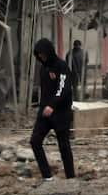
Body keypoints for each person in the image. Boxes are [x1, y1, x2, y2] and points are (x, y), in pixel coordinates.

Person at [29, 38, 75, 181]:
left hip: (61, 113)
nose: (41, 57)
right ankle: (47, 176)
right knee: (35, 141)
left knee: (64, 146)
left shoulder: (61, 66)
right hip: (45, 113)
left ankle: (70, 178)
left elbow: (64, 88)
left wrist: (53, 105)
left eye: (43, 54)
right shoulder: (43, 68)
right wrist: (44, 107)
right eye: (39, 55)